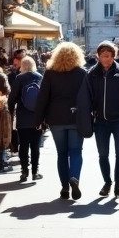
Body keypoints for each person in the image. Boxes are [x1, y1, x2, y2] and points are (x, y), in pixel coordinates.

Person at [34, 41, 91, 200]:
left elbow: (42, 98)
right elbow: (88, 97)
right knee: (76, 151)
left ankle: (65, 188)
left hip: (56, 118)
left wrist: (38, 119)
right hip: (75, 117)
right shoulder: (82, 73)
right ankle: (74, 177)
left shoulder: (50, 73)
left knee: (61, 153)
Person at [85, 40, 119, 198]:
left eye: (108, 56)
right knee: (103, 155)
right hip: (100, 121)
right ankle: (107, 182)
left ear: (113, 56)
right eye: (103, 56)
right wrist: (91, 112)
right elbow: (87, 96)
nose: (106, 59)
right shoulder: (92, 74)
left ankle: (118, 184)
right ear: (98, 56)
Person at [8, 57, 44, 182]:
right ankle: (35, 171)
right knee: (35, 146)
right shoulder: (39, 77)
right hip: (37, 118)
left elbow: (12, 98)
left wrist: (11, 111)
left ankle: (24, 171)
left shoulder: (19, 79)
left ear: (22, 66)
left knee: (23, 145)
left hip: (23, 117)